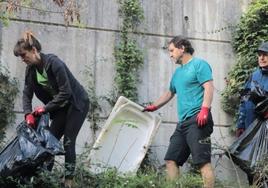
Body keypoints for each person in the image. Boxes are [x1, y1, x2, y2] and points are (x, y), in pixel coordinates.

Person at [14, 31, 89, 188]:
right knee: (49, 142)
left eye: (24, 55)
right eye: (20, 57)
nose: (23, 59)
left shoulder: (54, 63)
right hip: (60, 108)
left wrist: (45, 108)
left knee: (68, 141)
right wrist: (28, 114)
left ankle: (69, 181)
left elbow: (66, 92)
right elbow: (26, 94)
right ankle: (44, 178)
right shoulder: (31, 70)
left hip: (76, 103)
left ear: (34, 50)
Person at [143, 36, 215, 188]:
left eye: (171, 50)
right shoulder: (177, 73)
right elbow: (169, 93)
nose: (170, 54)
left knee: (202, 162)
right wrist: (154, 106)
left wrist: (204, 110)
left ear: (182, 48)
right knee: (171, 160)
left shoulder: (199, 65)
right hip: (183, 123)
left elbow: (209, 87)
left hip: (198, 119)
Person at [235, 41, 268, 185]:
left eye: (265, 55)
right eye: (260, 55)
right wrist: (241, 124)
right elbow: (244, 99)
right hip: (250, 127)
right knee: (250, 165)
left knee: (264, 166)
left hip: (266, 129)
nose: (262, 58)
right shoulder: (253, 75)